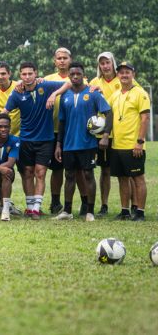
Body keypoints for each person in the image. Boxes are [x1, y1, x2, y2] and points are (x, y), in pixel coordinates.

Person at [0, 61, 69, 219]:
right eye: (24, 74)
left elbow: (67, 84)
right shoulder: (17, 93)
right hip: (25, 139)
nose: (27, 77)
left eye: (30, 74)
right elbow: (4, 113)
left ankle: (36, 209)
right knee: (27, 173)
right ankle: (30, 206)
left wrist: (54, 94)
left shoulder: (45, 86)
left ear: (35, 73)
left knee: (40, 173)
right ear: (20, 75)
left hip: (46, 139)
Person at [54, 62, 112, 222]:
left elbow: (108, 112)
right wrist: (59, 144)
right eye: (71, 74)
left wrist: (105, 135)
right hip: (68, 144)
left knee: (88, 174)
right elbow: (62, 122)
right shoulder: (65, 96)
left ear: (83, 75)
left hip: (88, 144)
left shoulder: (93, 93)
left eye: (78, 74)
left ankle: (90, 212)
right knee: (69, 175)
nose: (74, 76)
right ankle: (67, 210)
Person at [88, 52, 136, 215]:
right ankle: (104, 205)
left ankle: (133, 205)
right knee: (105, 170)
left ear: (113, 63)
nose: (105, 66)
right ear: (99, 66)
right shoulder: (94, 82)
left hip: (121, 134)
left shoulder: (122, 79)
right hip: (100, 134)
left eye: (107, 62)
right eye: (102, 63)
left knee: (127, 173)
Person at [109, 62, 150, 221]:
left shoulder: (141, 93)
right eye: (121, 73)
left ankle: (140, 212)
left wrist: (139, 141)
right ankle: (125, 211)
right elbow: (108, 112)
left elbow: (145, 118)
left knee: (138, 178)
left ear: (134, 74)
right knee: (122, 179)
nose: (124, 75)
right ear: (117, 75)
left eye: (127, 72)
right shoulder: (116, 94)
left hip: (133, 145)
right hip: (117, 145)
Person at [43, 47, 76, 215]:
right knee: (56, 169)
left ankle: (83, 204)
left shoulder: (78, 77)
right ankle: (55, 202)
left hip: (72, 131)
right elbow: (31, 83)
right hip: (51, 130)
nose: (62, 60)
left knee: (73, 170)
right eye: (59, 58)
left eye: (65, 58)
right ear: (54, 61)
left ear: (70, 60)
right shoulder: (48, 79)